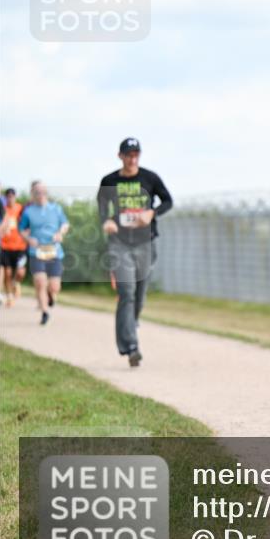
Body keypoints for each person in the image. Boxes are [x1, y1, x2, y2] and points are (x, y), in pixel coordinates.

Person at [97, 137, 173, 367]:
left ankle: (131, 322)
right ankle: (131, 347)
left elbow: (167, 201)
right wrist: (107, 221)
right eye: (128, 155)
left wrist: (152, 213)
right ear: (120, 156)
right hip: (119, 243)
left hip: (145, 242)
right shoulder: (109, 181)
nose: (132, 159)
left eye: (135, 155)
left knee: (139, 295)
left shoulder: (150, 178)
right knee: (127, 292)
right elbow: (102, 206)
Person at [18, 181, 69, 325]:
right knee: (40, 282)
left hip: (54, 250)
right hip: (37, 251)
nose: (40, 195)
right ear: (33, 194)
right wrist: (29, 239)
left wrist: (60, 233)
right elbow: (21, 229)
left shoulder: (56, 209)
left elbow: (65, 224)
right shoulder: (28, 211)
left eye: (43, 192)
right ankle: (45, 312)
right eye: (37, 192)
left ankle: (50, 294)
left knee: (55, 286)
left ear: (47, 193)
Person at [0, 188, 28, 307]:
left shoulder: (21, 209)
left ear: (15, 197)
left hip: (20, 246)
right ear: (6, 198)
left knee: (20, 272)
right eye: (8, 197)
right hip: (5, 246)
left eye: (12, 196)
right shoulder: (2, 209)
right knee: (7, 273)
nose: (10, 199)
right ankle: (9, 296)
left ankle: (16, 283)